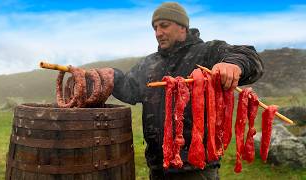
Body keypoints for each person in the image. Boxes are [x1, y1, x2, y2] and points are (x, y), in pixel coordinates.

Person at [111, 2, 264, 180]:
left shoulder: (206, 52)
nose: (158, 33)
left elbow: (250, 57)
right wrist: (112, 77)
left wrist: (233, 64)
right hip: (158, 167)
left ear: (182, 26)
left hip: (196, 168)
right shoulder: (150, 63)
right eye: (155, 28)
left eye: (164, 25)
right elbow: (129, 90)